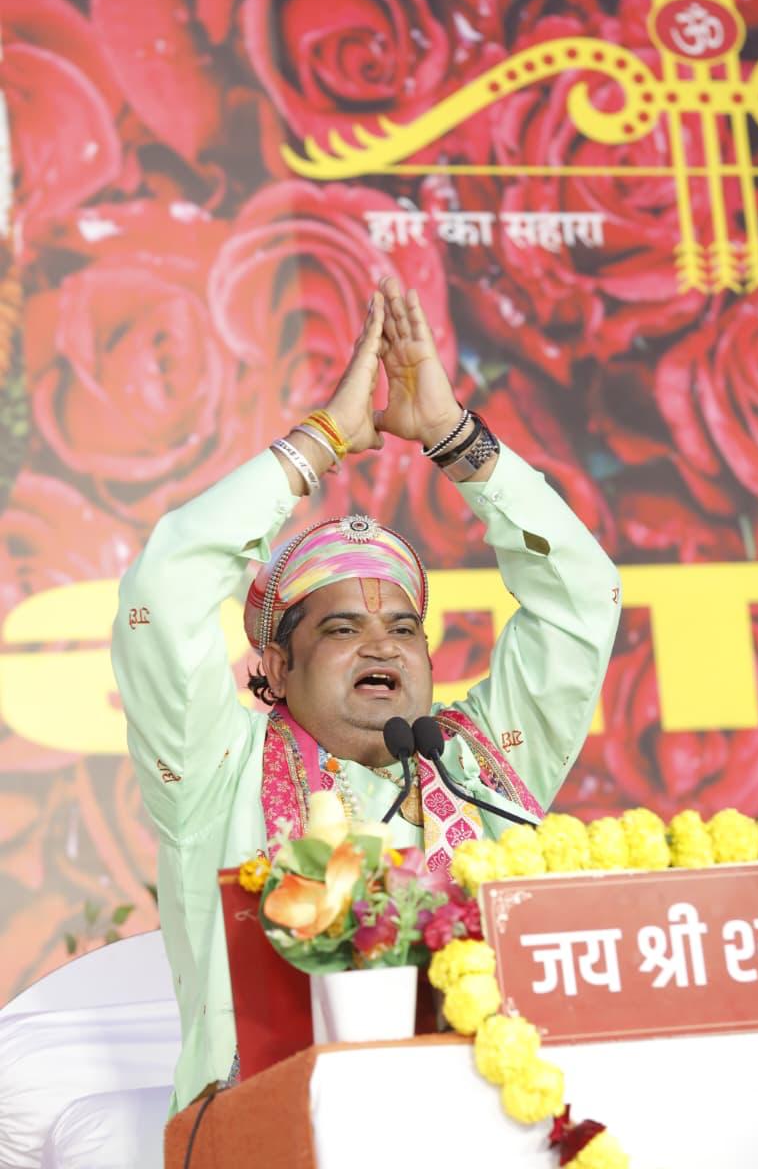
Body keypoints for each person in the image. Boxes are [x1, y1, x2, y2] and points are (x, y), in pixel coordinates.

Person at [111, 276, 621, 1115]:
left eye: (403, 628)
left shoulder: (478, 762)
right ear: (276, 667)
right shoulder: (217, 771)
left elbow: (583, 599)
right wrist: (320, 442)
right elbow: (161, 596)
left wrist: (455, 440)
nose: (383, 645)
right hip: (281, 1138)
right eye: (342, 628)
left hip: (500, 1125)